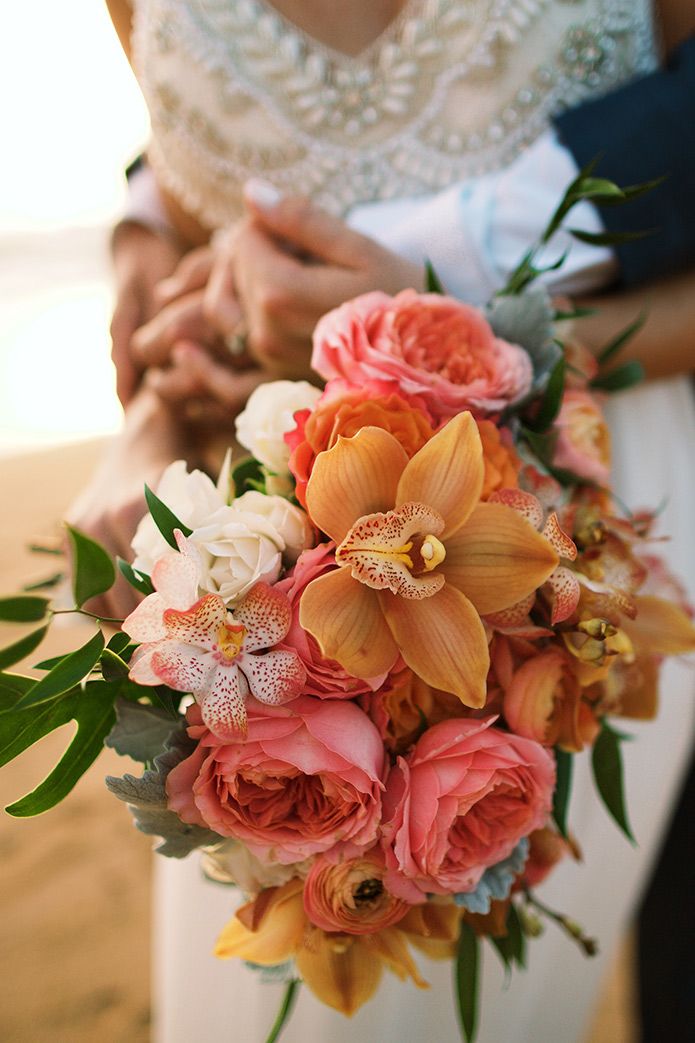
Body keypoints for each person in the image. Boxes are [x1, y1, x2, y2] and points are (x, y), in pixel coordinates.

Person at [72, 1, 695, 1040]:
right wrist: (137, 440)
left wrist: (466, 330)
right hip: (259, 583)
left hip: (584, 528)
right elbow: (195, 263)